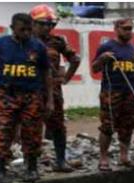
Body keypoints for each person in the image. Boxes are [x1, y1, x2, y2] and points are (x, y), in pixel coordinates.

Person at [0, 13, 52, 183]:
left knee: (32, 132)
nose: (27, 33)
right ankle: (1, 168)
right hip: (6, 94)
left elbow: (46, 74)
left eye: (29, 29)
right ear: (12, 27)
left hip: (32, 95)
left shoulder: (38, 46)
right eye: (22, 29)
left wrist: (49, 99)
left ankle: (31, 168)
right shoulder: (0, 44)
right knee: (3, 131)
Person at [31, 4, 81, 173]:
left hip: (52, 90)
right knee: (31, 127)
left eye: (50, 24)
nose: (47, 27)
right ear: (33, 23)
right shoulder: (25, 40)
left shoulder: (57, 41)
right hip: (29, 90)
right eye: (43, 23)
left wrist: (65, 78)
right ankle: (31, 165)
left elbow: (75, 59)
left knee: (58, 126)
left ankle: (60, 160)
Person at [92, 18, 134, 170]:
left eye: (130, 29)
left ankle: (124, 156)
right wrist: (102, 59)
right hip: (111, 91)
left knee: (127, 125)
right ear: (116, 28)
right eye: (125, 29)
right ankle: (103, 157)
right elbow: (94, 69)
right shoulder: (106, 47)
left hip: (131, 92)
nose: (128, 32)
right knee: (108, 125)